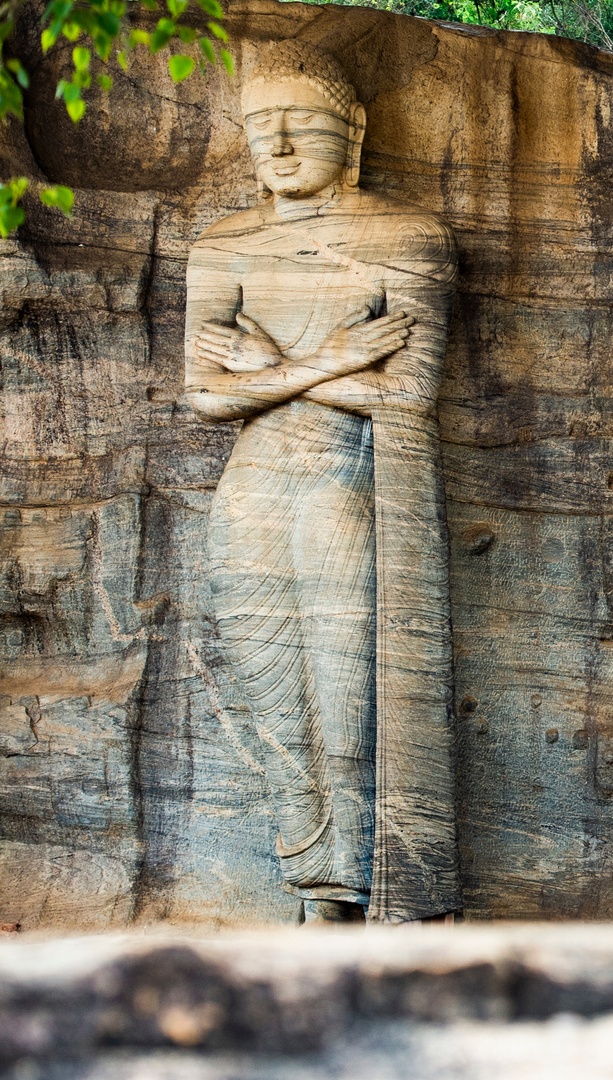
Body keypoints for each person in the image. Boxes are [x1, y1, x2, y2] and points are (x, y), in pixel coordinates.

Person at [185, 41, 458, 924]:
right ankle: (314, 891)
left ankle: (370, 887)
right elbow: (204, 396)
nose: (281, 144)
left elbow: (407, 396)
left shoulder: (404, 236)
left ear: (357, 129)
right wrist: (334, 356)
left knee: (350, 704)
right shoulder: (223, 245)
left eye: (301, 123)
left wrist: (277, 365)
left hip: (346, 486)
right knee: (273, 704)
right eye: (261, 128)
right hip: (251, 494)